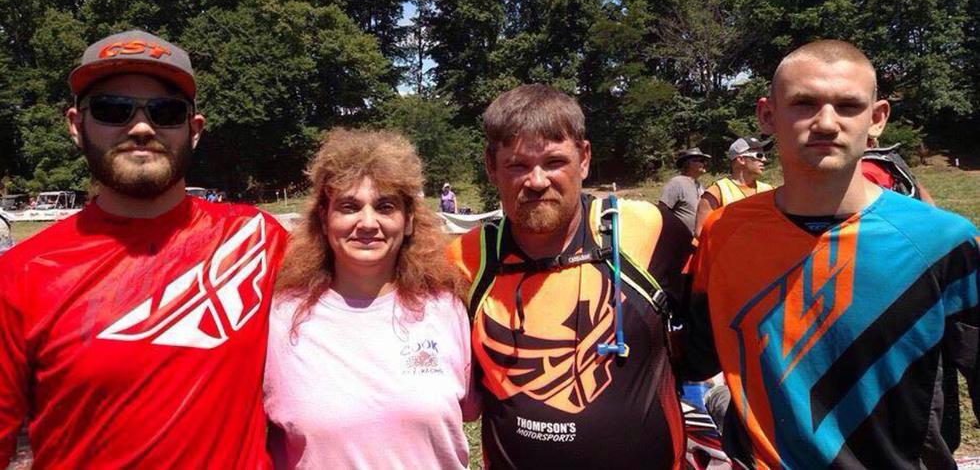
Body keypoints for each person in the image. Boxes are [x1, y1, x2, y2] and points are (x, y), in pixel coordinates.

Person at [0, 30, 288, 467]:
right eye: (113, 110)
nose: (140, 127)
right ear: (77, 125)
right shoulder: (19, 276)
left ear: (193, 130)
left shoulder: (258, 240)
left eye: (166, 112)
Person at [691, 39, 980, 468]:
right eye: (804, 104)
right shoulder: (724, 232)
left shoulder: (944, 242)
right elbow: (693, 354)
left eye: (847, 106)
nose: (826, 123)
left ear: (877, 118)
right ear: (767, 115)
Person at [447, 84, 694, 468]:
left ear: (584, 158)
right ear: (490, 168)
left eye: (553, 162)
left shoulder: (645, 230)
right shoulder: (465, 259)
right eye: (517, 165)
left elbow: (711, 339)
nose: (537, 181)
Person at [265, 128, 478, 469]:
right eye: (349, 206)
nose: (367, 222)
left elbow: (471, 410)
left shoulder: (448, 308)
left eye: (385, 206)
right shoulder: (278, 319)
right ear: (324, 218)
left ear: (408, 220)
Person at [694, 137, 774, 236]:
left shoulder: (769, 190)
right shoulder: (717, 191)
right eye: (759, 155)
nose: (764, 159)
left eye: (764, 155)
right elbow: (700, 231)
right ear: (741, 159)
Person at [660, 147, 712, 234]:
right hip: (679, 241)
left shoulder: (699, 185)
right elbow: (662, 210)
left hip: (697, 242)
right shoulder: (676, 183)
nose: (704, 163)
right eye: (701, 160)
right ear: (690, 163)